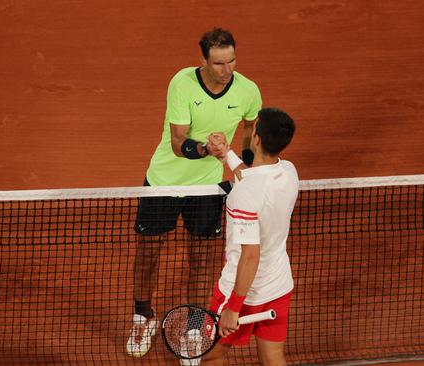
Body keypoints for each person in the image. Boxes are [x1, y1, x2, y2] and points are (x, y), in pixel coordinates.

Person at [126, 27, 262, 363]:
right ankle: (144, 316)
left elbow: (251, 129)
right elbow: (178, 143)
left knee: (201, 258)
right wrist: (209, 148)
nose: (227, 70)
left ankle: (195, 326)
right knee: (148, 253)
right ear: (203, 61)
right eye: (218, 64)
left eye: (231, 61)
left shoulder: (247, 91)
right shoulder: (182, 83)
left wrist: (242, 163)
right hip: (165, 182)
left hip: (208, 188)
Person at [201, 108, 298, 366]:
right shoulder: (288, 172)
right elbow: (253, 179)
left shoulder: (243, 196)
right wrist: (226, 155)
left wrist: (233, 307)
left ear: (256, 139)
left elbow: (250, 256)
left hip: (242, 291)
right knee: (273, 358)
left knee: (211, 356)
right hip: (278, 286)